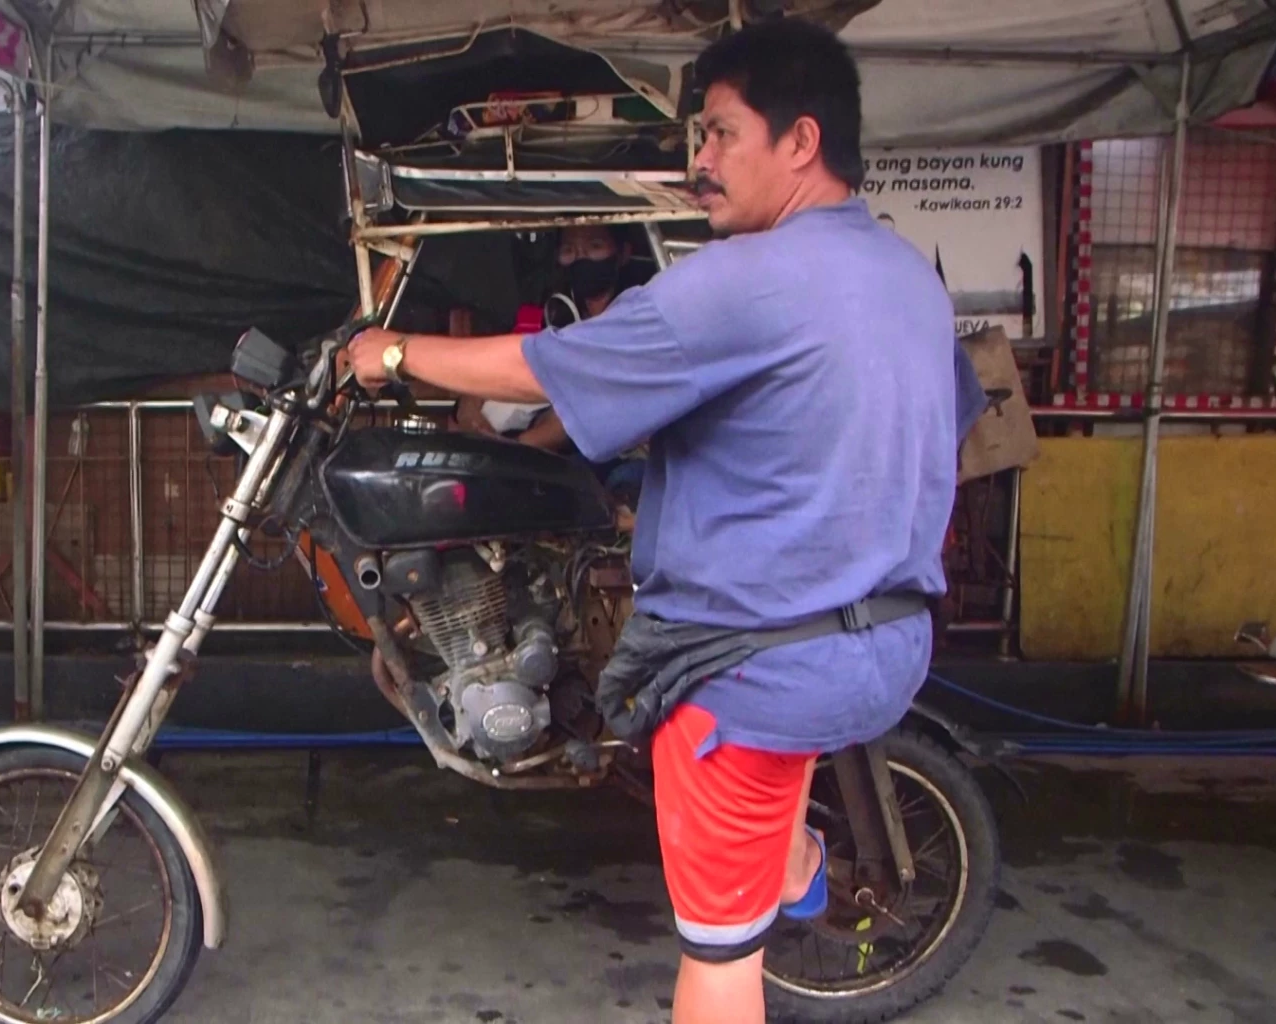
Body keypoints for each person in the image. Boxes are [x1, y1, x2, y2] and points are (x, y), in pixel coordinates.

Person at [349, 19, 982, 1023]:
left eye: (721, 134)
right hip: (886, 644)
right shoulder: (907, 276)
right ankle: (796, 865)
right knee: (764, 821)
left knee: (717, 960)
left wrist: (391, 354)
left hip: (753, 671)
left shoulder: (740, 280)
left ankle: (781, 876)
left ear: (800, 142)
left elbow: (537, 369)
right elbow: (923, 433)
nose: (698, 163)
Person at [457, 223, 638, 452]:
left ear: (623, 253)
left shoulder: (636, 323)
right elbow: (507, 366)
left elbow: (580, 409)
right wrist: (470, 407)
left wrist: (511, 449)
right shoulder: (550, 315)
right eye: (569, 250)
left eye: (595, 246)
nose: (581, 258)